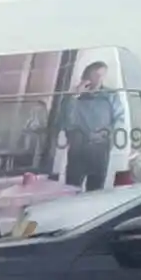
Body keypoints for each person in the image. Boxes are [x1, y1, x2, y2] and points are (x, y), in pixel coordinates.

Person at [54, 60, 126, 192]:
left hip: (100, 148)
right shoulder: (72, 98)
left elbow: (119, 119)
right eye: (96, 75)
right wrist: (75, 95)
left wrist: (108, 134)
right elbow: (65, 121)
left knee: (95, 190)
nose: (99, 79)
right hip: (78, 149)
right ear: (86, 76)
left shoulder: (110, 95)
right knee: (71, 189)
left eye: (102, 75)